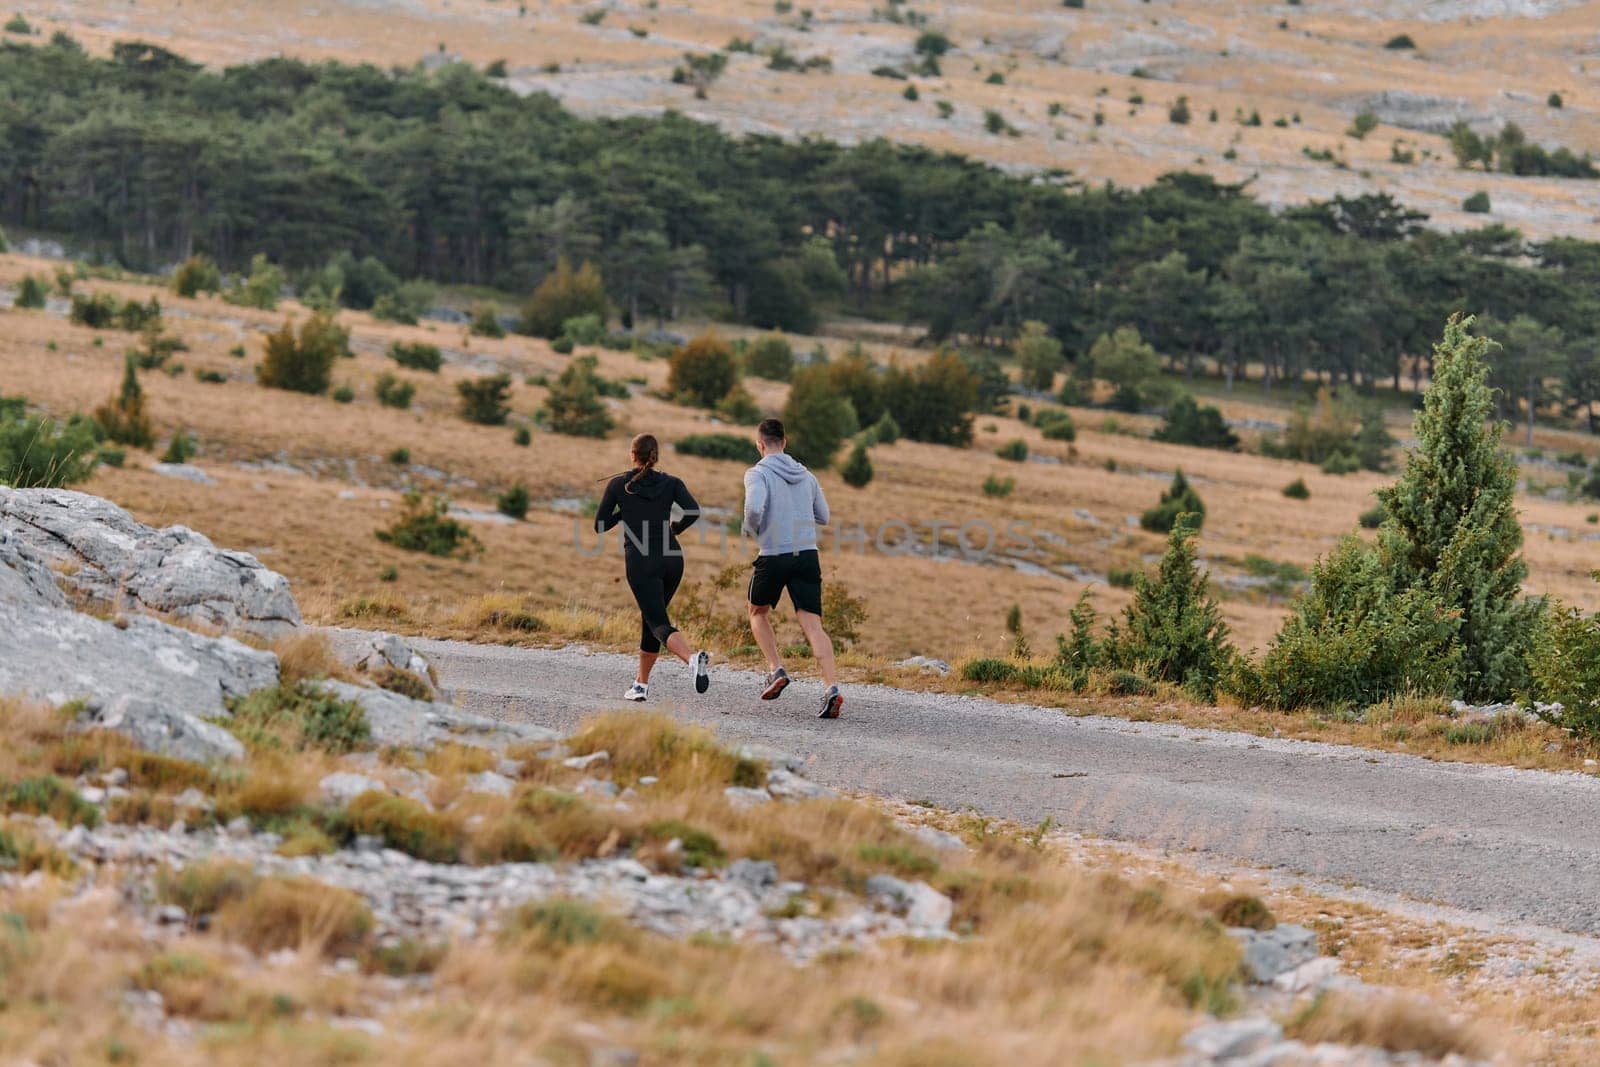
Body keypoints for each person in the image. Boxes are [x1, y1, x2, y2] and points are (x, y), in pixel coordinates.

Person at [594, 433, 710, 702]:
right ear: (655, 456)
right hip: (672, 559)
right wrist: (675, 529)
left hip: (641, 561)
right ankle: (641, 685)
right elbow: (692, 510)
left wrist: (624, 511)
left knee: (657, 621)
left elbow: (599, 525)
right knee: (652, 617)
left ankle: (692, 659)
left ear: (632, 455)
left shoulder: (619, 485)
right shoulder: (671, 482)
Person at [742, 417, 842, 719]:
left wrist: (752, 529)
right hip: (807, 554)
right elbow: (823, 515)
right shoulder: (807, 475)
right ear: (784, 442)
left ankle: (776, 669)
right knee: (813, 624)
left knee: (757, 612)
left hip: (774, 553)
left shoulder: (756, 473)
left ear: (760, 445)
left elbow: (754, 508)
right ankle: (831, 687)